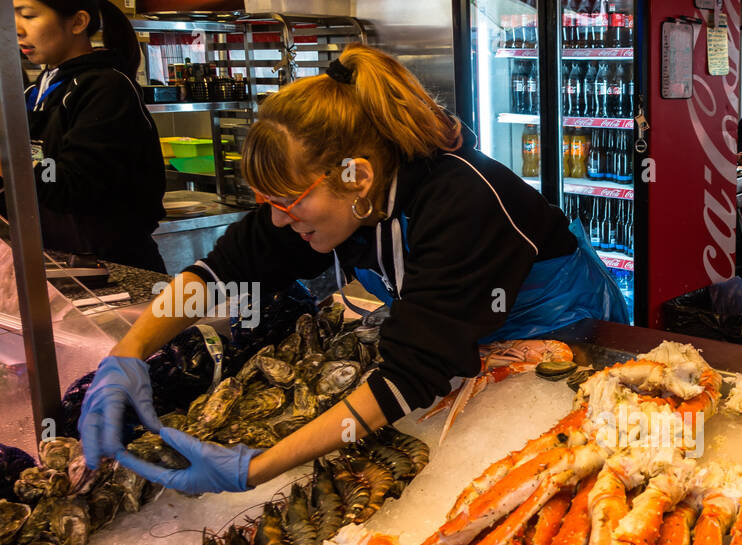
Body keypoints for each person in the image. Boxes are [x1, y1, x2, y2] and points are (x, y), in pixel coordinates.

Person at [77, 45, 626, 496]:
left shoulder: (460, 201)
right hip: (470, 349)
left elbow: (409, 375)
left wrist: (257, 467)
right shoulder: (335, 201)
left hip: (565, 338)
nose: (275, 218)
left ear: (357, 177)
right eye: (267, 200)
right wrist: (125, 357)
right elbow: (222, 271)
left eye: (287, 200)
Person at [9, 0, 166, 271]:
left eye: (28, 15)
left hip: (112, 269)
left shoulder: (106, 87)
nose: (17, 29)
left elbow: (73, 183)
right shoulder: (35, 93)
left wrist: (7, 165)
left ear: (78, 22)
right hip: (56, 263)